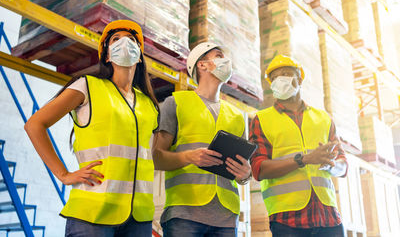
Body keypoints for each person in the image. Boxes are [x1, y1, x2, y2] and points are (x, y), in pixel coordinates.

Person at [24, 20, 159, 237]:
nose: (125, 43)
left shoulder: (149, 105)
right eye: (116, 39)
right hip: (93, 216)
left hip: (138, 218)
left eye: (132, 40)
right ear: (107, 55)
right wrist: (64, 174)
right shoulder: (87, 86)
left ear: (140, 55)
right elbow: (35, 124)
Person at [152, 42, 252, 237]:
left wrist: (245, 174)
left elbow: (243, 170)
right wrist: (189, 157)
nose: (225, 61)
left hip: (226, 216)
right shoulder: (176, 103)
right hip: (184, 215)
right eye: (219, 55)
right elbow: (156, 157)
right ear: (202, 65)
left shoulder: (237, 116)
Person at [250, 54, 348, 237]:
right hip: (287, 220)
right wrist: (304, 160)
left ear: (300, 79)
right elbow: (258, 169)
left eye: (286, 74)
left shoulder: (323, 119)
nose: (280, 81)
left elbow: (343, 165)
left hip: (328, 217)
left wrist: (332, 164)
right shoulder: (262, 120)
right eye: (274, 78)